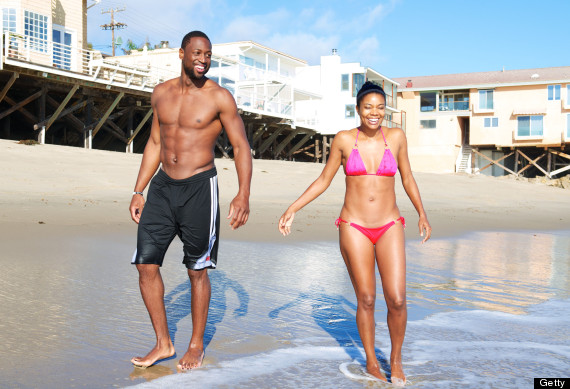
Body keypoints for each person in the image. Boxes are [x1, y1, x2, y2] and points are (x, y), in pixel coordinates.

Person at [278, 81, 431, 385]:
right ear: (358, 109)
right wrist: (293, 208)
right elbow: (324, 180)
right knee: (366, 298)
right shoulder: (344, 140)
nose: (374, 113)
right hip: (354, 226)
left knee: (398, 299)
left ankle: (396, 361)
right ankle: (373, 362)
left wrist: (422, 213)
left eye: (380, 107)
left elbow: (408, 177)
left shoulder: (397, 138)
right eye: (368, 107)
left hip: (389, 224)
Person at [129, 31, 252, 371]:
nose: (203, 59)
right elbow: (155, 142)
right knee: (145, 264)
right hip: (162, 188)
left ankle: (195, 345)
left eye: (208, 54)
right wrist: (139, 190)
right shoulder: (161, 94)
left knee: (197, 270)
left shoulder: (219, 97)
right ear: (182, 53)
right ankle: (163, 343)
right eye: (197, 53)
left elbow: (241, 146)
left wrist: (243, 193)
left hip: (200, 188)